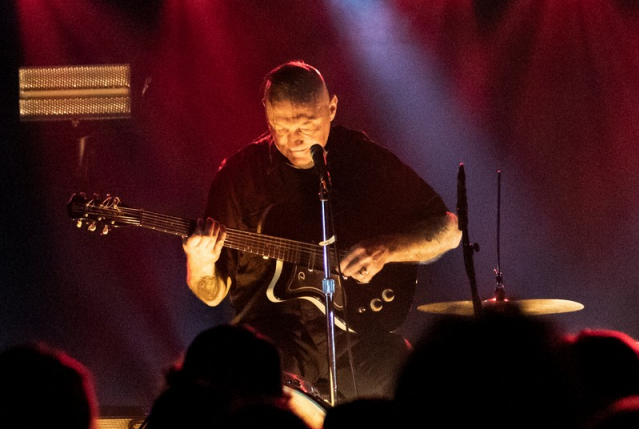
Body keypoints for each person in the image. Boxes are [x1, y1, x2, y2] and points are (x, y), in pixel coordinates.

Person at [182, 61, 460, 399]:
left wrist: (388, 248)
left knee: (415, 389)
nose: (293, 139)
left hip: (358, 335)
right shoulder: (239, 180)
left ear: (331, 109)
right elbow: (211, 291)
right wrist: (200, 262)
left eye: (307, 124)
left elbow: (448, 228)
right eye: (279, 126)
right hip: (273, 342)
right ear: (266, 113)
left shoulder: (364, 161)